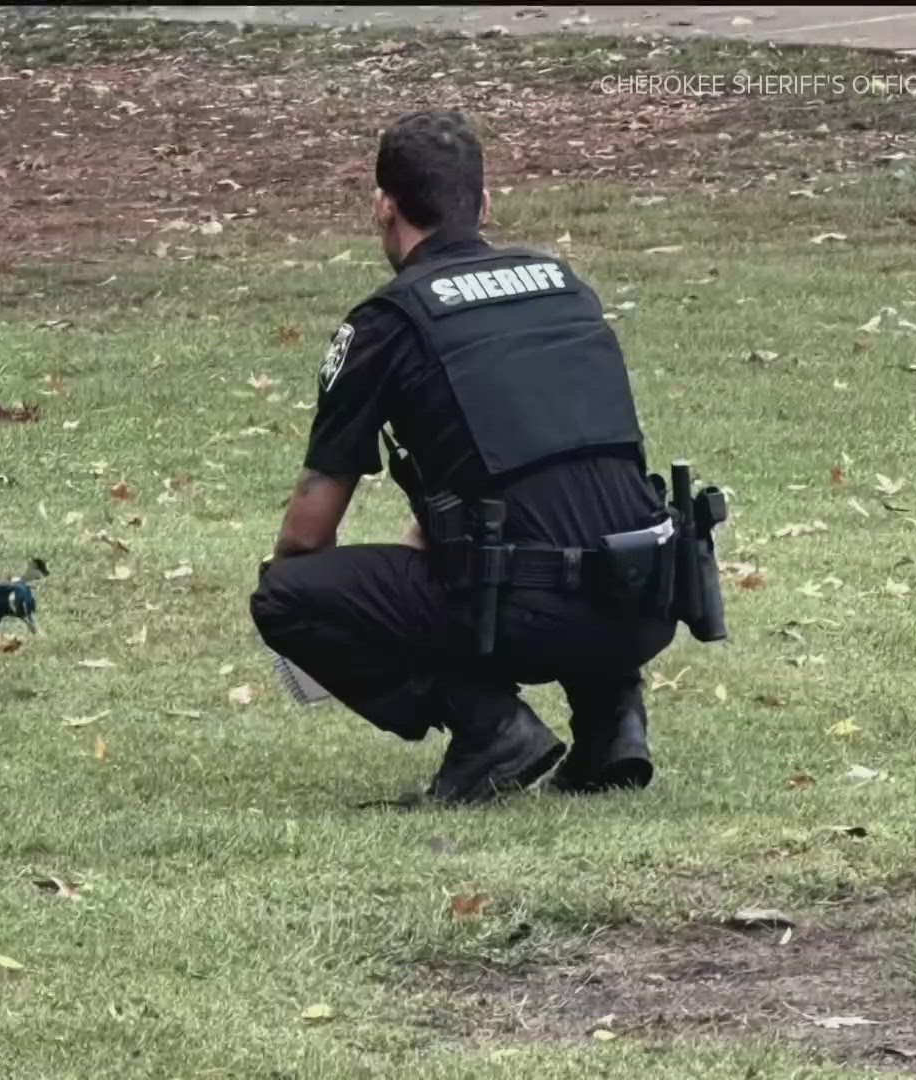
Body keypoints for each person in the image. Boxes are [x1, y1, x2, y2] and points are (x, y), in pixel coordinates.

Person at [249, 110, 684, 806]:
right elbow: (549, 463)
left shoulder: (386, 323)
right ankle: (613, 724)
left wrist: (363, 617)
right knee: (567, 522)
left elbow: (307, 535)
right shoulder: (562, 285)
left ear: (384, 209)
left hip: (531, 612)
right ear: (484, 205)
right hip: (651, 596)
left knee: (286, 595)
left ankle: (492, 728)